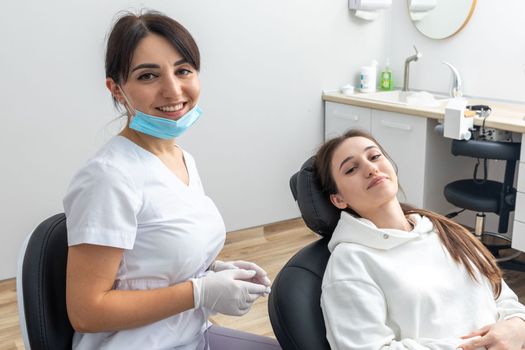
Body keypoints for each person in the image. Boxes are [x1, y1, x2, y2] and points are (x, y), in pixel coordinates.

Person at [63, 10, 281, 350]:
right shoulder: (108, 177)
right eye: (148, 76)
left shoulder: (181, 159)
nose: (173, 89)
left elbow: (155, 258)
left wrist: (215, 271)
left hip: (190, 335)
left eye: (183, 70)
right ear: (117, 89)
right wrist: (200, 292)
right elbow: (87, 312)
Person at [314, 129, 525, 350]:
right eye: (351, 169)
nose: (370, 168)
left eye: (374, 156)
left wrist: (517, 325)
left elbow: (500, 295)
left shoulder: (444, 231)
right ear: (338, 199)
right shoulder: (350, 261)